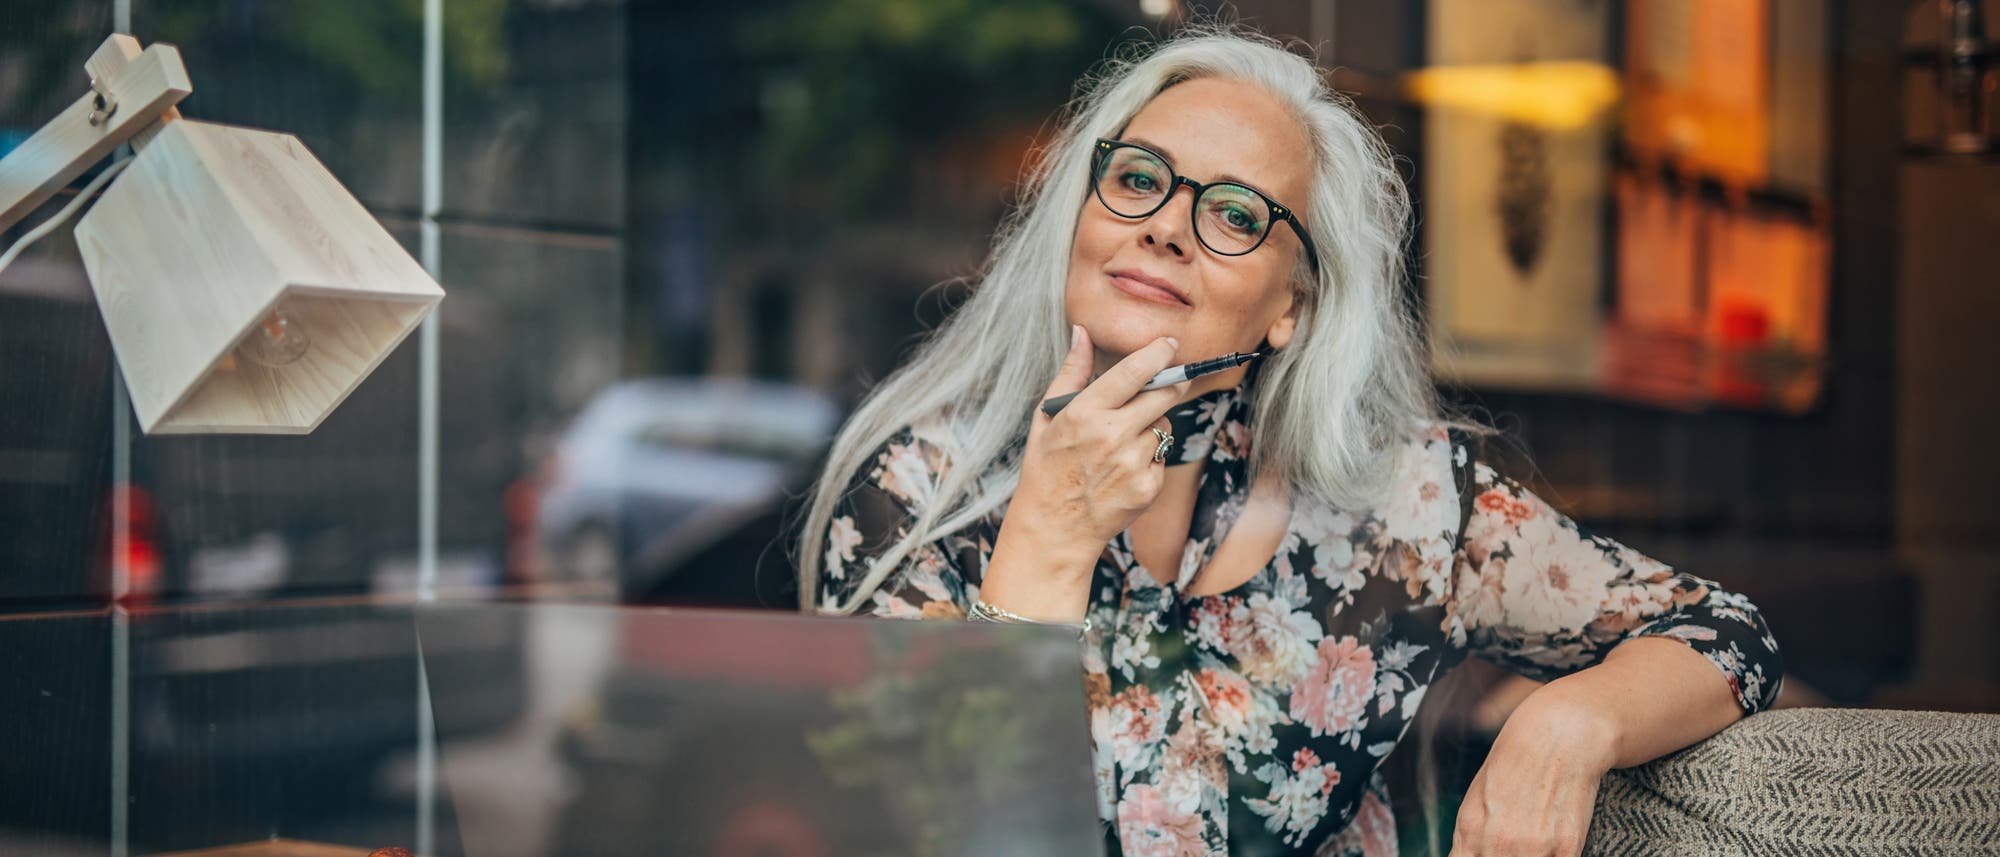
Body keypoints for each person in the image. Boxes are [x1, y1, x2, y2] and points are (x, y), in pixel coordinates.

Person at [795, 25, 1781, 857]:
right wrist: (1046, 539)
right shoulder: (918, 486)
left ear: (1290, 309)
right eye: (1138, 178)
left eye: (1234, 213)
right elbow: (913, 831)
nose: (1166, 227)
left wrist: (1568, 723)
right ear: (1080, 218)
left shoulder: (1401, 504)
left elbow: (1724, 633)